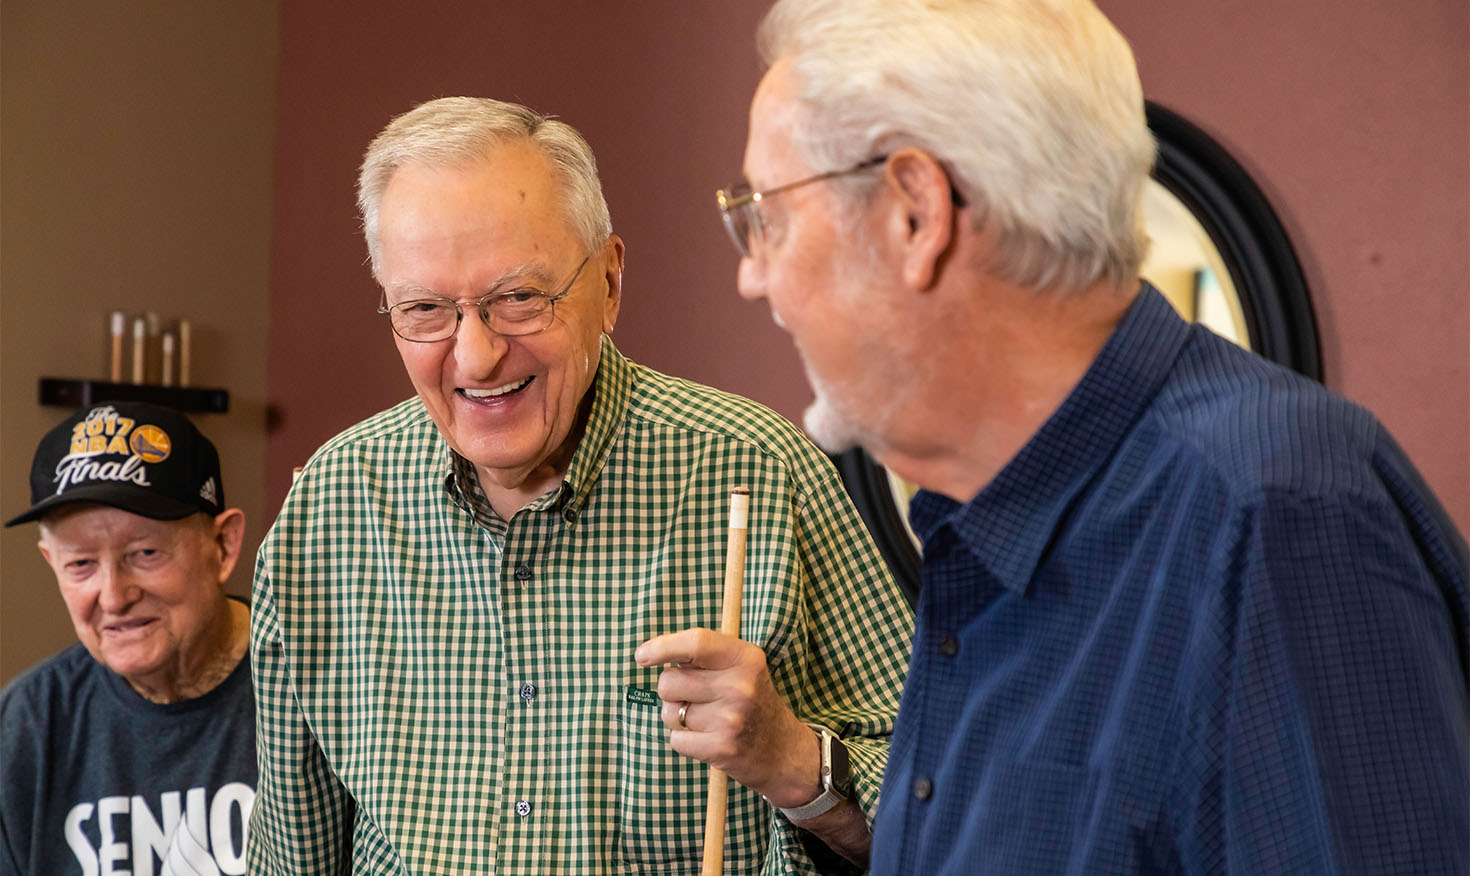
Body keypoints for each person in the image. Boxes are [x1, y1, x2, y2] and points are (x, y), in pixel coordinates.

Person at [723, 0, 1470, 873]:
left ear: (916, 212)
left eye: (767, 216)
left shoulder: (1273, 516)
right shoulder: (978, 529)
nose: (751, 273)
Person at [247, 96, 912, 874]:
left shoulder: (759, 472)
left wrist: (798, 763)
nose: (476, 356)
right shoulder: (331, 507)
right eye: (425, 309)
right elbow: (291, 856)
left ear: (610, 283)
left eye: (519, 298)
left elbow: (954, 812)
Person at [0, 401, 254, 876]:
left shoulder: (315, 692)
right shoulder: (23, 729)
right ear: (50, 564)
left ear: (224, 546)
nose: (114, 597)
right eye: (80, 565)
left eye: (146, 553)